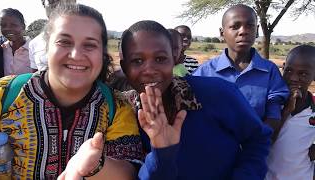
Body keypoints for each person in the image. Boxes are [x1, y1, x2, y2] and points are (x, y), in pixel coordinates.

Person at [63, 20, 272, 180]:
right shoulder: (123, 114)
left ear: (174, 59)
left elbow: (258, 138)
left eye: (160, 59)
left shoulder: (217, 93)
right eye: (137, 61)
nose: (150, 69)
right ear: (124, 67)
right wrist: (162, 152)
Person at [0, 4, 143, 179]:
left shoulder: (116, 107)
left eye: (89, 45)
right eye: (64, 42)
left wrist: (95, 164)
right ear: (46, 47)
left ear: (102, 53)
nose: (75, 54)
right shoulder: (4, 94)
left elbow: (129, 172)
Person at [193, 4, 289, 134]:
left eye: (250, 25)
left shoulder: (269, 71)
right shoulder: (204, 72)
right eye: (235, 26)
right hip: (213, 150)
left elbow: (273, 116)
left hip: (254, 150)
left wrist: (253, 144)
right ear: (222, 33)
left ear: (257, 31)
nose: (243, 31)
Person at [265, 45, 315, 180]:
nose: (293, 78)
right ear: (283, 67)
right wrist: (286, 111)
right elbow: (264, 143)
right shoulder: (271, 103)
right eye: (289, 70)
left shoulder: (313, 108)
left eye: (303, 74)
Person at [29, 0, 76, 72]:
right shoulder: (34, 43)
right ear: (44, 4)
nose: (58, 4)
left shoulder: (94, 36)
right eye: (52, 1)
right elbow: (35, 78)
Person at [0, 8, 32, 76]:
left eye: (13, 25)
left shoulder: (34, 50)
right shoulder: (1, 49)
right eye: (3, 25)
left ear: (23, 26)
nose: (8, 28)